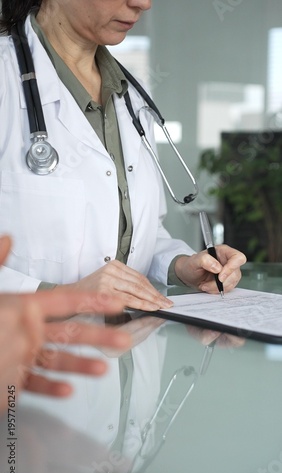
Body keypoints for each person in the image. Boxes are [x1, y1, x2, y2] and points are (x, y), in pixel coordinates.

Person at [0, 0, 246, 310]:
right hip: (23, 350)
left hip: (128, 347)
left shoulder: (131, 94)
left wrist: (182, 265)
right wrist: (62, 297)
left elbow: (141, 233)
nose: (143, 3)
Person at [0, 235, 131, 414]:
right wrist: (50, 292)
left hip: (130, 343)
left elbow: (152, 229)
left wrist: (176, 263)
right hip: (30, 331)